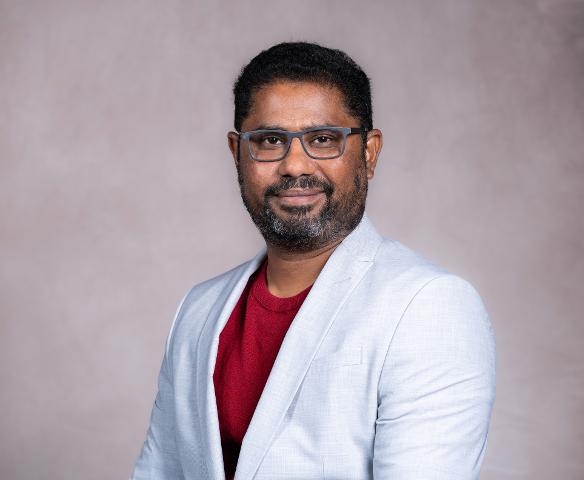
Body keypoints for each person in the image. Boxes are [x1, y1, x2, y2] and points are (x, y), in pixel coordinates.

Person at [131, 42, 496, 480]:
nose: (294, 165)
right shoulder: (198, 310)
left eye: (323, 139)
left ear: (369, 152)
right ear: (237, 153)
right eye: (270, 140)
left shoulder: (430, 308)